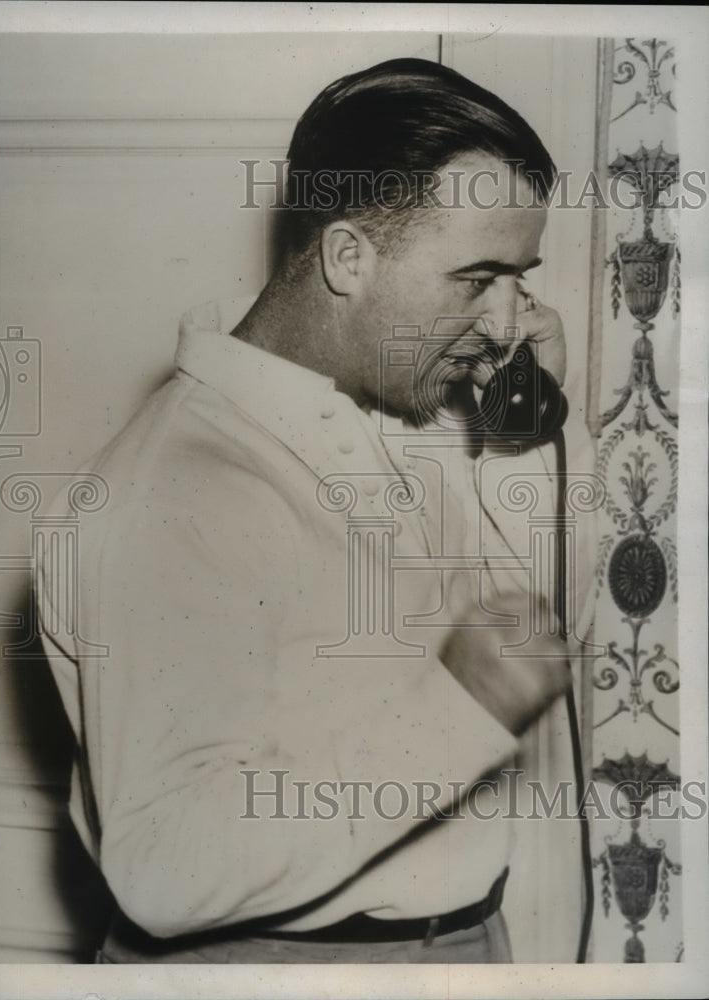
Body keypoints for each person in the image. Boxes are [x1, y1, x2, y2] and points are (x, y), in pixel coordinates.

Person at [36, 58, 594, 964]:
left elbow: (531, 623)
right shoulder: (171, 491)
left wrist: (520, 426)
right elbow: (165, 868)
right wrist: (461, 708)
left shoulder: (398, 403)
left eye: (518, 278)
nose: (507, 322)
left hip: (461, 943)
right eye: (477, 277)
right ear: (347, 257)